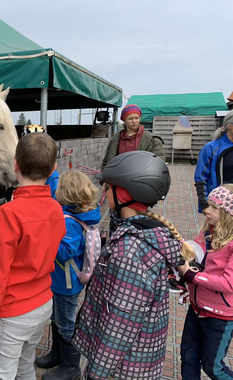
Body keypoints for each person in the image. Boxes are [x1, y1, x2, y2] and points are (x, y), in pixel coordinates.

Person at [72, 151, 195, 380]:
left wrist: (96, 373)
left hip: (122, 368)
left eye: (108, 187)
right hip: (137, 360)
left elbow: (120, 324)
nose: (104, 191)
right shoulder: (148, 231)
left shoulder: (128, 252)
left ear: (126, 193)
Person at [0, 132, 66, 380]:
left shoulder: (7, 214)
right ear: (53, 168)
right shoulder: (56, 208)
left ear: (16, 165)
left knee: (2, 374)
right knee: (25, 366)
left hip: (12, 314)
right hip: (43, 304)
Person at [37, 170, 101, 380]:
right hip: (61, 281)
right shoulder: (71, 215)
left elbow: (64, 252)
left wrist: (46, 235)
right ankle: (57, 355)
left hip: (66, 284)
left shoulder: (70, 223)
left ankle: (70, 367)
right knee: (57, 318)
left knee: (66, 323)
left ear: (65, 194)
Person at [178, 184, 233, 379]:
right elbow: (198, 260)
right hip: (196, 308)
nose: (205, 210)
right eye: (207, 205)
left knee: (213, 367)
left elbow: (228, 283)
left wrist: (192, 276)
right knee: (188, 357)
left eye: (213, 207)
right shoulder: (208, 232)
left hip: (220, 317)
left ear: (228, 213)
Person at [101, 104, 165, 171]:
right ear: (124, 120)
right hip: (119, 178)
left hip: (142, 179)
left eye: (136, 118)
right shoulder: (116, 139)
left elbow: (158, 164)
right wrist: (104, 179)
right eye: (130, 119)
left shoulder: (153, 140)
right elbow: (107, 161)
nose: (134, 121)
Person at [194, 111, 233, 213]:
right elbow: (200, 179)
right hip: (219, 204)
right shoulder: (211, 148)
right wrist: (204, 205)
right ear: (230, 126)